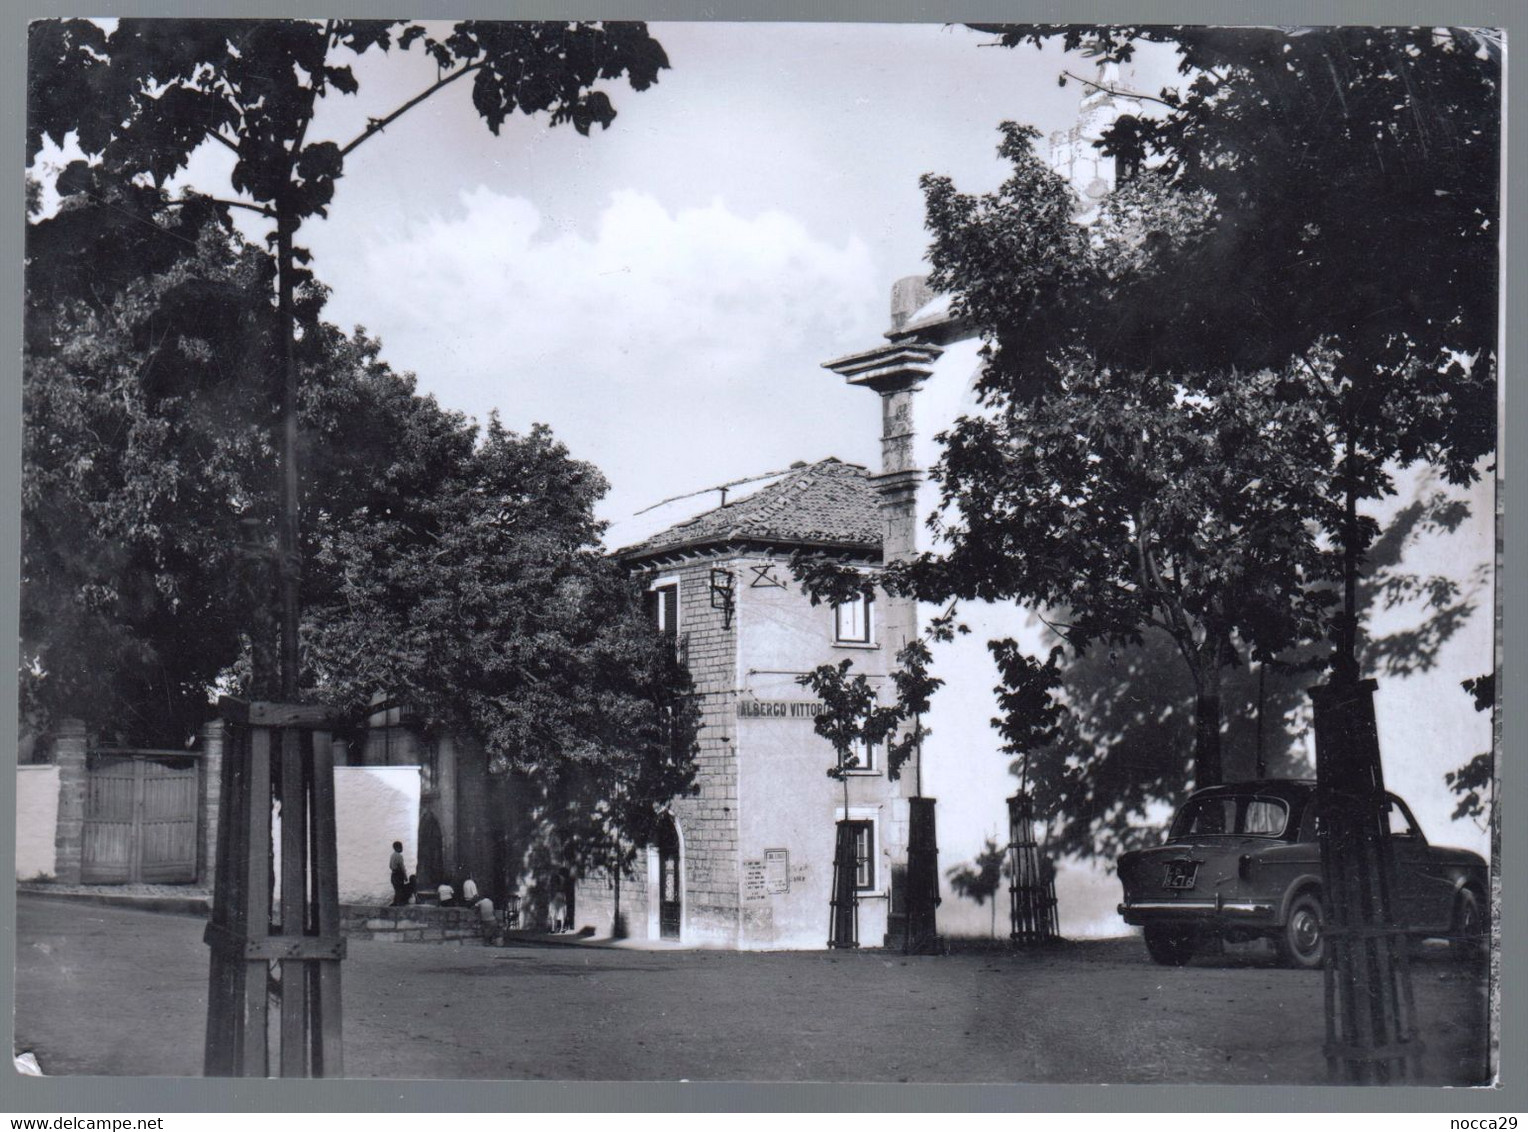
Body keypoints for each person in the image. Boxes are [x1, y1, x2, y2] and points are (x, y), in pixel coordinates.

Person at [388, 841, 408, 906]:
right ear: (397, 848)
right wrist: (405, 876)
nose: (402, 848)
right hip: (399, 875)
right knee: (400, 889)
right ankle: (398, 903)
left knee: (396, 889)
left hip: (393, 874)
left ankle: (395, 902)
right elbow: (402, 867)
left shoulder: (392, 856)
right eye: (401, 847)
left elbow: (390, 866)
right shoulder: (399, 856)